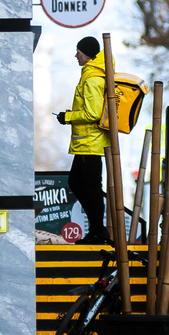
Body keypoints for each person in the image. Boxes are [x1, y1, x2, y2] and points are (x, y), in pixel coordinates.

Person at [57, 36, 110, 243]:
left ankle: (98, 231)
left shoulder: (92, 79)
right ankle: (97, 229)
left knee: (90, 187)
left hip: (90, 143)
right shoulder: (91, 75)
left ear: (87, 54)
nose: (76, 55)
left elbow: (93, 113)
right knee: (79, 183)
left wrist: (68, 117)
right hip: (87, 142)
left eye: (78, 52)